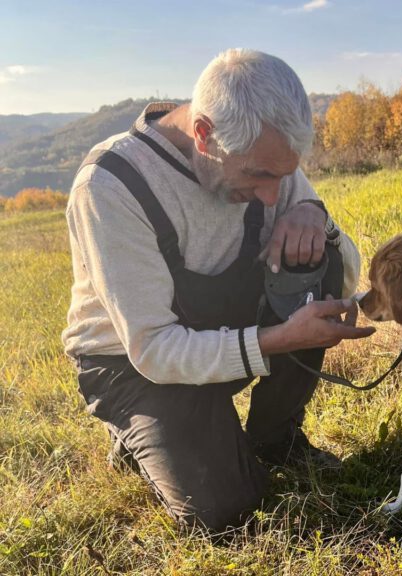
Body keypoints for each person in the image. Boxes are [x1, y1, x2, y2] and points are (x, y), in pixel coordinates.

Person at [62, 48, 375, 533]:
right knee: (224, 511)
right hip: (133, 366)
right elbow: (154, 349)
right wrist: (279, 340)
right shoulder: (110, 186)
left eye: (285, 176)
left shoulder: (262, 153)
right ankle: (136, 433)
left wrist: (312, 212)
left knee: (319, 256)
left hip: (219, 326)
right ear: (204, 134)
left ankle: (276, 438)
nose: (274, 194)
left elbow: (342, 270)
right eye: (259, 176)